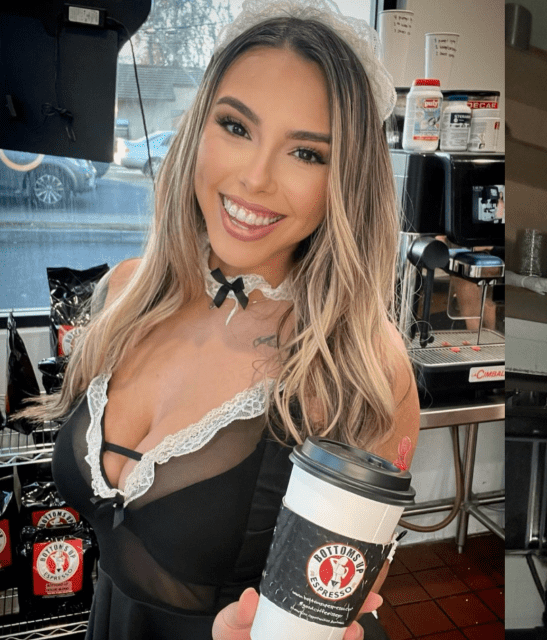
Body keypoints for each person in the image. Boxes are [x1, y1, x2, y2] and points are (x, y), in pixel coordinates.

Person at [20, 1, 419, 639]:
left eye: (307, 154)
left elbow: (333, 605)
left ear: (347, 180)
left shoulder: (360, 367)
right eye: (236, 126)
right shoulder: (125, 296)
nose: (254, 179)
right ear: (199, 127)